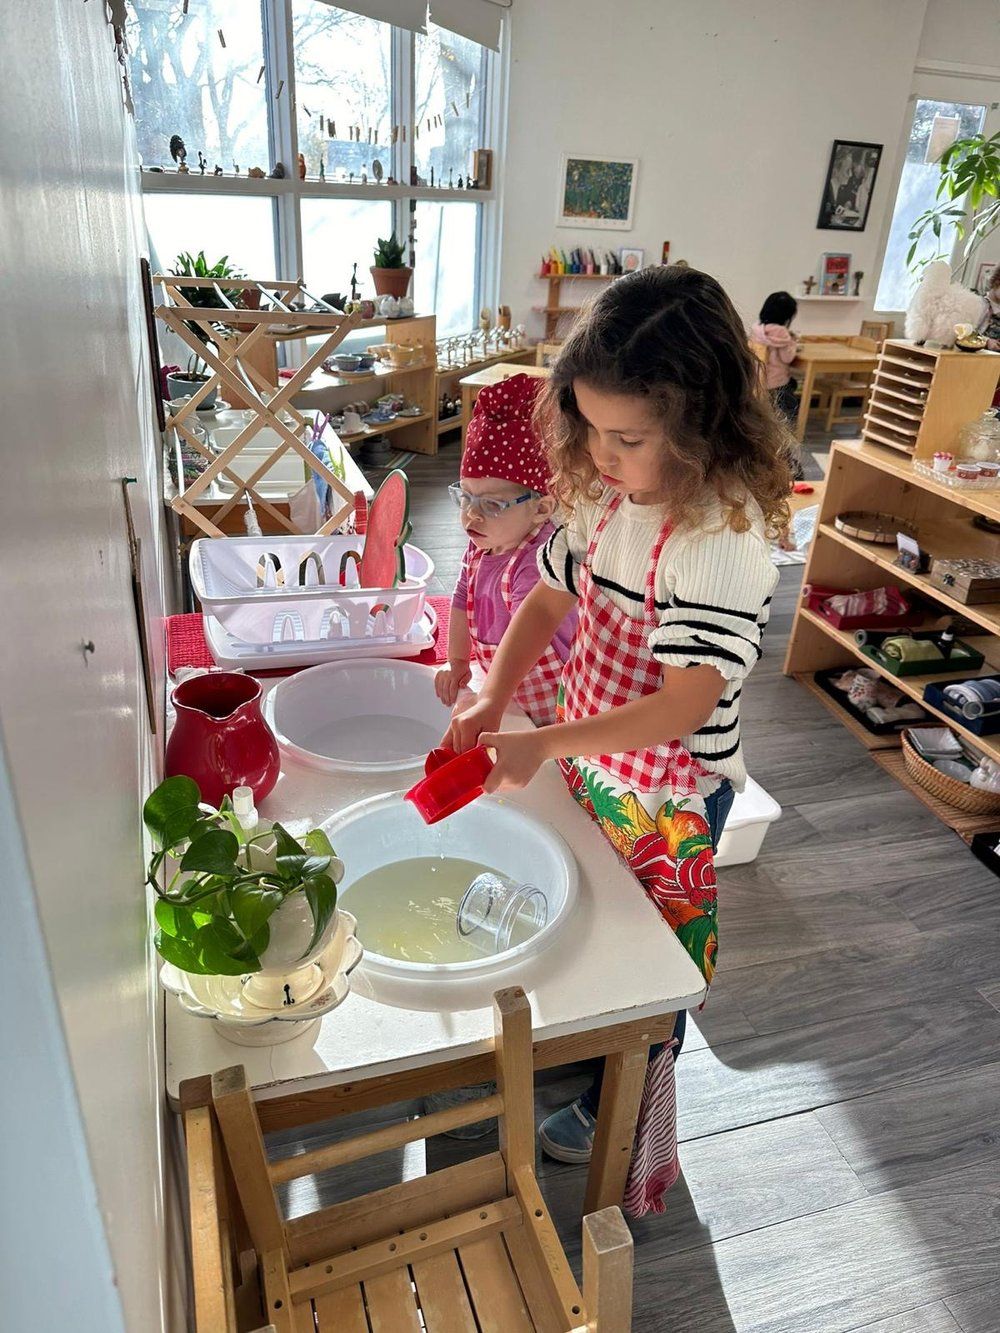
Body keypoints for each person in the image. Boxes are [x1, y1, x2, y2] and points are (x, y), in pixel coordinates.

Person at [444, 266, 788, 1170]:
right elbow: (550, 600)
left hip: (675, 787)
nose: (600, 454)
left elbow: (683, 704)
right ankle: (589, 1051)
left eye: (627, 437)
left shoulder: (722, 537)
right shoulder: (606, 497)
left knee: (656, 959)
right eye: (589, 429)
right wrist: (489, 692)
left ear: (700, 423)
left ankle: (624, 1097)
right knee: (597, 917)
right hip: (603, 762)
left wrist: (547, 738)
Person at [436, 372, 577, 726]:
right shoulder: (482, 546)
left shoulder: (536, 563)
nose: (471, 514)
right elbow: (459, 599)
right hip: (509, 692)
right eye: (465, 496)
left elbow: (528, 638)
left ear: (542, 508)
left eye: (491, 505)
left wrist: (492, 699)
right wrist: (457, 662)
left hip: (552, 701)